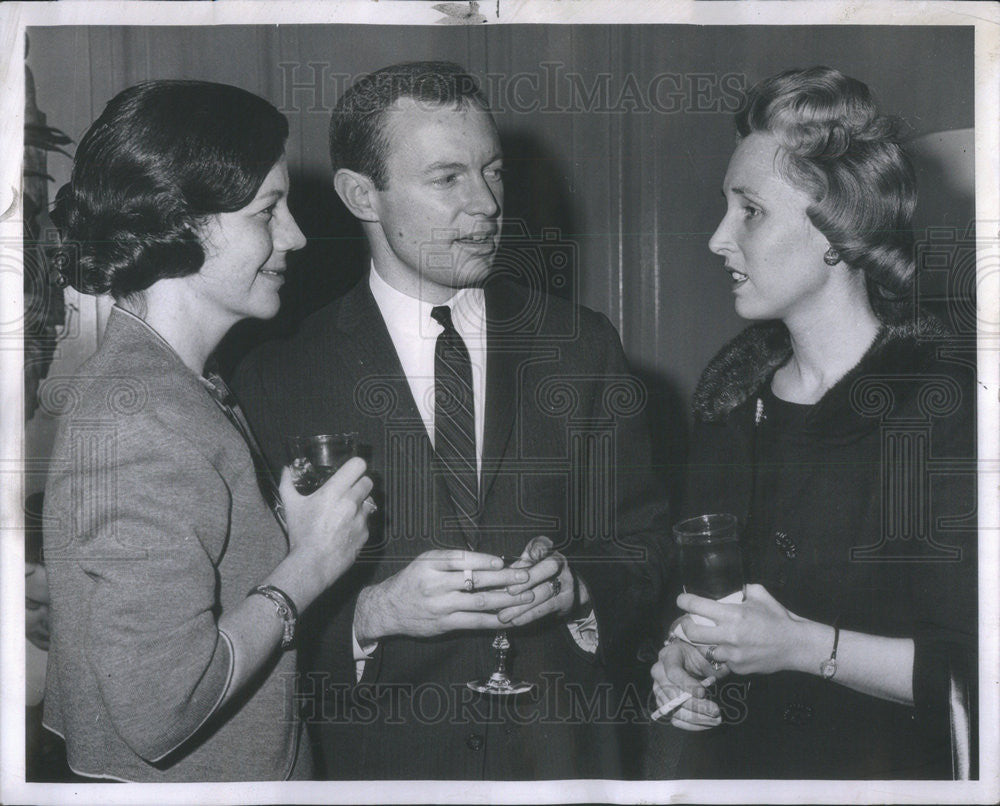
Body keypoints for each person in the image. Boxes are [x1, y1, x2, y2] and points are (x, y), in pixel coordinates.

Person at [232, 61, 668, 780]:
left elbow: (649, 547)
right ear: (360, 195)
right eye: (447, 179)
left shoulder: (582, 345)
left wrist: (579, 587)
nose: (488, 203)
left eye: (491, 171)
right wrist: (372, 616)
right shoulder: (277, 376)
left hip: (562, 769)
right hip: (380, 774)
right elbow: (250, 612)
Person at [42, 80, 375, 782]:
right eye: (267, 211)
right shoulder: (142, 417)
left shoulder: (178, 384)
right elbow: (162, 711)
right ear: (179, 223)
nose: (297, 235)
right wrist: (308, 565)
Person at [650, 66, 977, 779]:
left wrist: (802, 647)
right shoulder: (729, 405)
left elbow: (975, 671)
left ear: (839, 224)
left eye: (750, 211)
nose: (716, 239)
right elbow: (706, 612)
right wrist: (685, 657)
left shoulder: (946, 411)